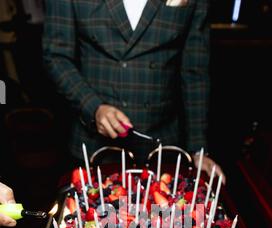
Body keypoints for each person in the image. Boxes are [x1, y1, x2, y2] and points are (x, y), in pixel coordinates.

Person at [43, 0, 224, 180]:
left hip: (162, 146)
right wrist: (93, 108)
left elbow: (195, 71)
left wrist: (198, 149)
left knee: (162, 209)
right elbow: (57, 57)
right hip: (95, 147)